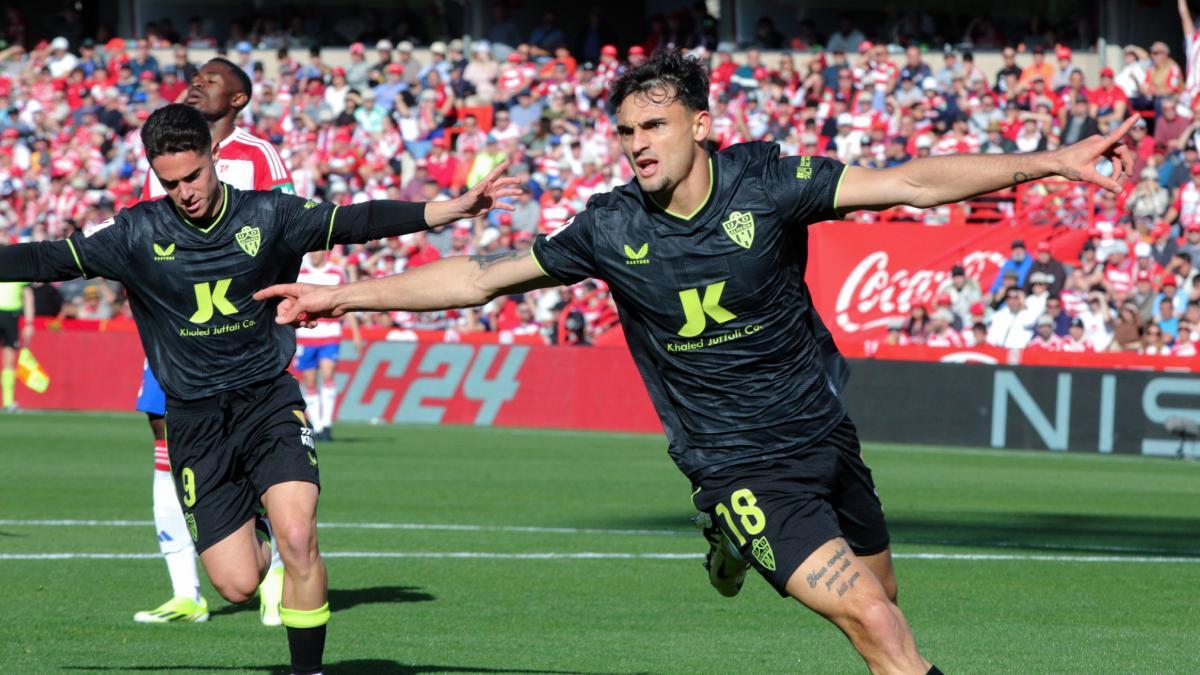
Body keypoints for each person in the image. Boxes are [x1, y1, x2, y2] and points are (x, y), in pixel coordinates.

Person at [258, 52, 1137, 674]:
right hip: (737, 462)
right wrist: (343, 296)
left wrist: (1052, 161)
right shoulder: (610, 224)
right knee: (881, 628)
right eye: (625, 131)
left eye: (655, 125)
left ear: (701, 125)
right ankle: (729, 519)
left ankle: (728, 545)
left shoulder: (767, 183)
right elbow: (484, 276)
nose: (637, 143)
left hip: (825, 438)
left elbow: (910, 181)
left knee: (887, 608)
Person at [0, 104, 519, 675]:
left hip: (267, 399)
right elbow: (46, 259)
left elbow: (356, 221)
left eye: (192, 177)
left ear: (214, 159)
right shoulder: (134, 232)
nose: (184, 192)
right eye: (170, 183)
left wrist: (450, 208)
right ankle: (258, 517)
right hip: (195, 421)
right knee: (238, 585)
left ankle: (307, 670)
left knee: (300, 538)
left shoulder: (269, 214)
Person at [135, 57, 297, 627]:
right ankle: (186, 590)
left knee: (257, 442)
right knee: (163, 430)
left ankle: (276, 565)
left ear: (238, 100)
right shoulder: (162, 150)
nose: (198, 81)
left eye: (213, 79)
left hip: (241, 331)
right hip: (176, 327)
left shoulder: (259, 156)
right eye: (196, 75)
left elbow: (289, 228)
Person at [294, 250, 361, 442]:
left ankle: (327, 424)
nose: (313, 255)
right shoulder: (301, 273)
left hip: (330, 334)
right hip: (306, 335)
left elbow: (347, 304)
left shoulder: (336, 272)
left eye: (316, 251)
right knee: (310, 381)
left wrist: (356, 334)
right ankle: (318, 424)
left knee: (328, 375)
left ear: (325, 252)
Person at [0, 270, 34, 412]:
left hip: (10, 315)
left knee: (9, 360)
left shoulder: (15, 263)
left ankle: (8, 402)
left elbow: (27, 296)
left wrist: (29, 323)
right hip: (9, 316)